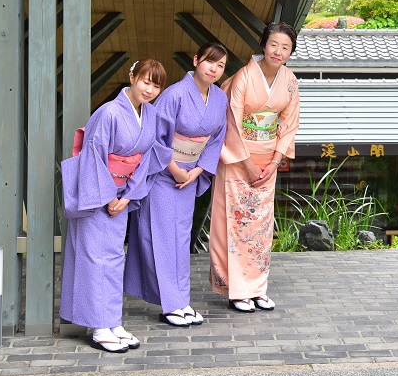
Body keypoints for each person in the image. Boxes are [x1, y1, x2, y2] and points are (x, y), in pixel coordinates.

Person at [60, 58, 166, 352]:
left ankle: (112, 320)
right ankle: (97, 326)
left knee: (114, 257)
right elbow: (93, 155)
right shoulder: (108, 112)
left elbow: (147, 159)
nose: (149, 89)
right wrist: (109, 197)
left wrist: (128, 196)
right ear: (132, 76)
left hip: (122, 195)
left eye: (156, 85)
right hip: (97, 195)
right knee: (95, 257)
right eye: (145, 81)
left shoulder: (152, 116)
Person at [125, 43, 230, 327]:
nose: (214, 69)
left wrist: (198, 170)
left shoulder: (220, 99)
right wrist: (174, 169)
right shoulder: (173, 94)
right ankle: (170, 305)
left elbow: (217, 138)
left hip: (189, 176)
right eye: (210, 62)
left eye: (220, 66)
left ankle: (180, 301)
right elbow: (154, 138)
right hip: (163, 175)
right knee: (160, 240)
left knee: (180, 242)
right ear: (196, 60)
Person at [209, 22, 300, 312]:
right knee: (234, 223)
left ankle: (257, 287)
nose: (278, 51)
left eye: (285, 47)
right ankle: (237, 289)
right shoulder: (244, 77)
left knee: (260, 227)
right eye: (274, 44)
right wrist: (245, 161)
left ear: (290, 52)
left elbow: (289, 123)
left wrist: (275, 162)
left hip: (267, 163)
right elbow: (232, 121)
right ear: (263, 45)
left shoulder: (289, 81)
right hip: (237, 160)